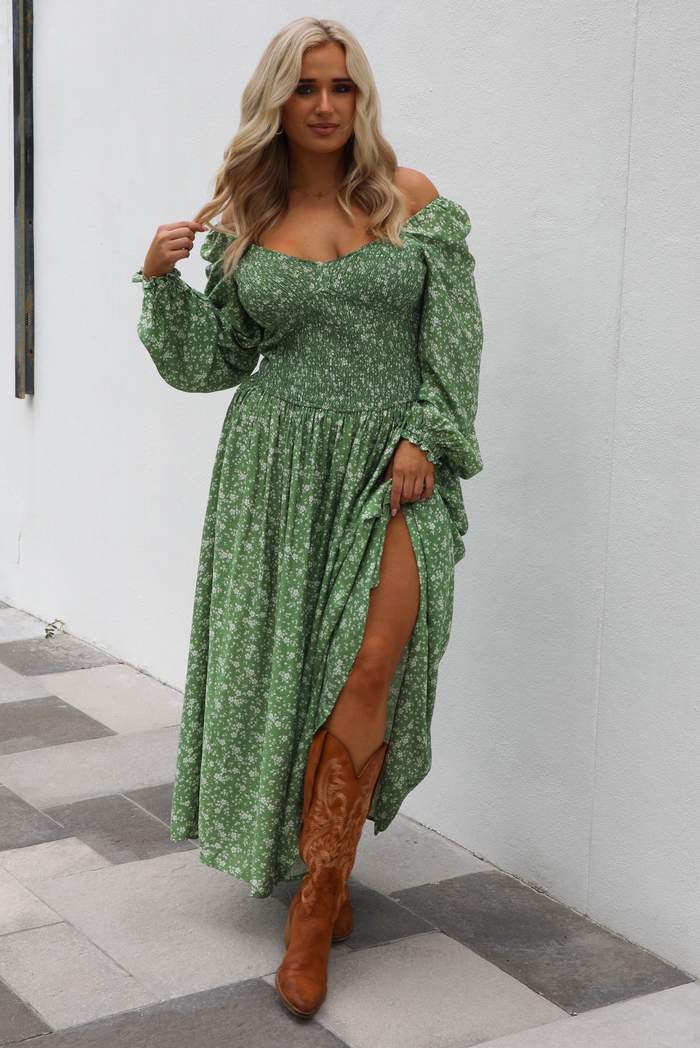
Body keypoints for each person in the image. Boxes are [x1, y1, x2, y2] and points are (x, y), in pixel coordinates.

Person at [133, 15, 483, 1019]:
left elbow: (453, 338)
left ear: (359, 101)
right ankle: (320, 891)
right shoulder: (244, 215)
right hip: (275, 467)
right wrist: (161, 281)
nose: (327, 105)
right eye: (307, 88)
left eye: (343, 88)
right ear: (276, 102)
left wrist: (425, 431)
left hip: (394, 467)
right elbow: (214, 363)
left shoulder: (412, 204)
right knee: (292, 667)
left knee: (373, 655)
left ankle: (316, 898)